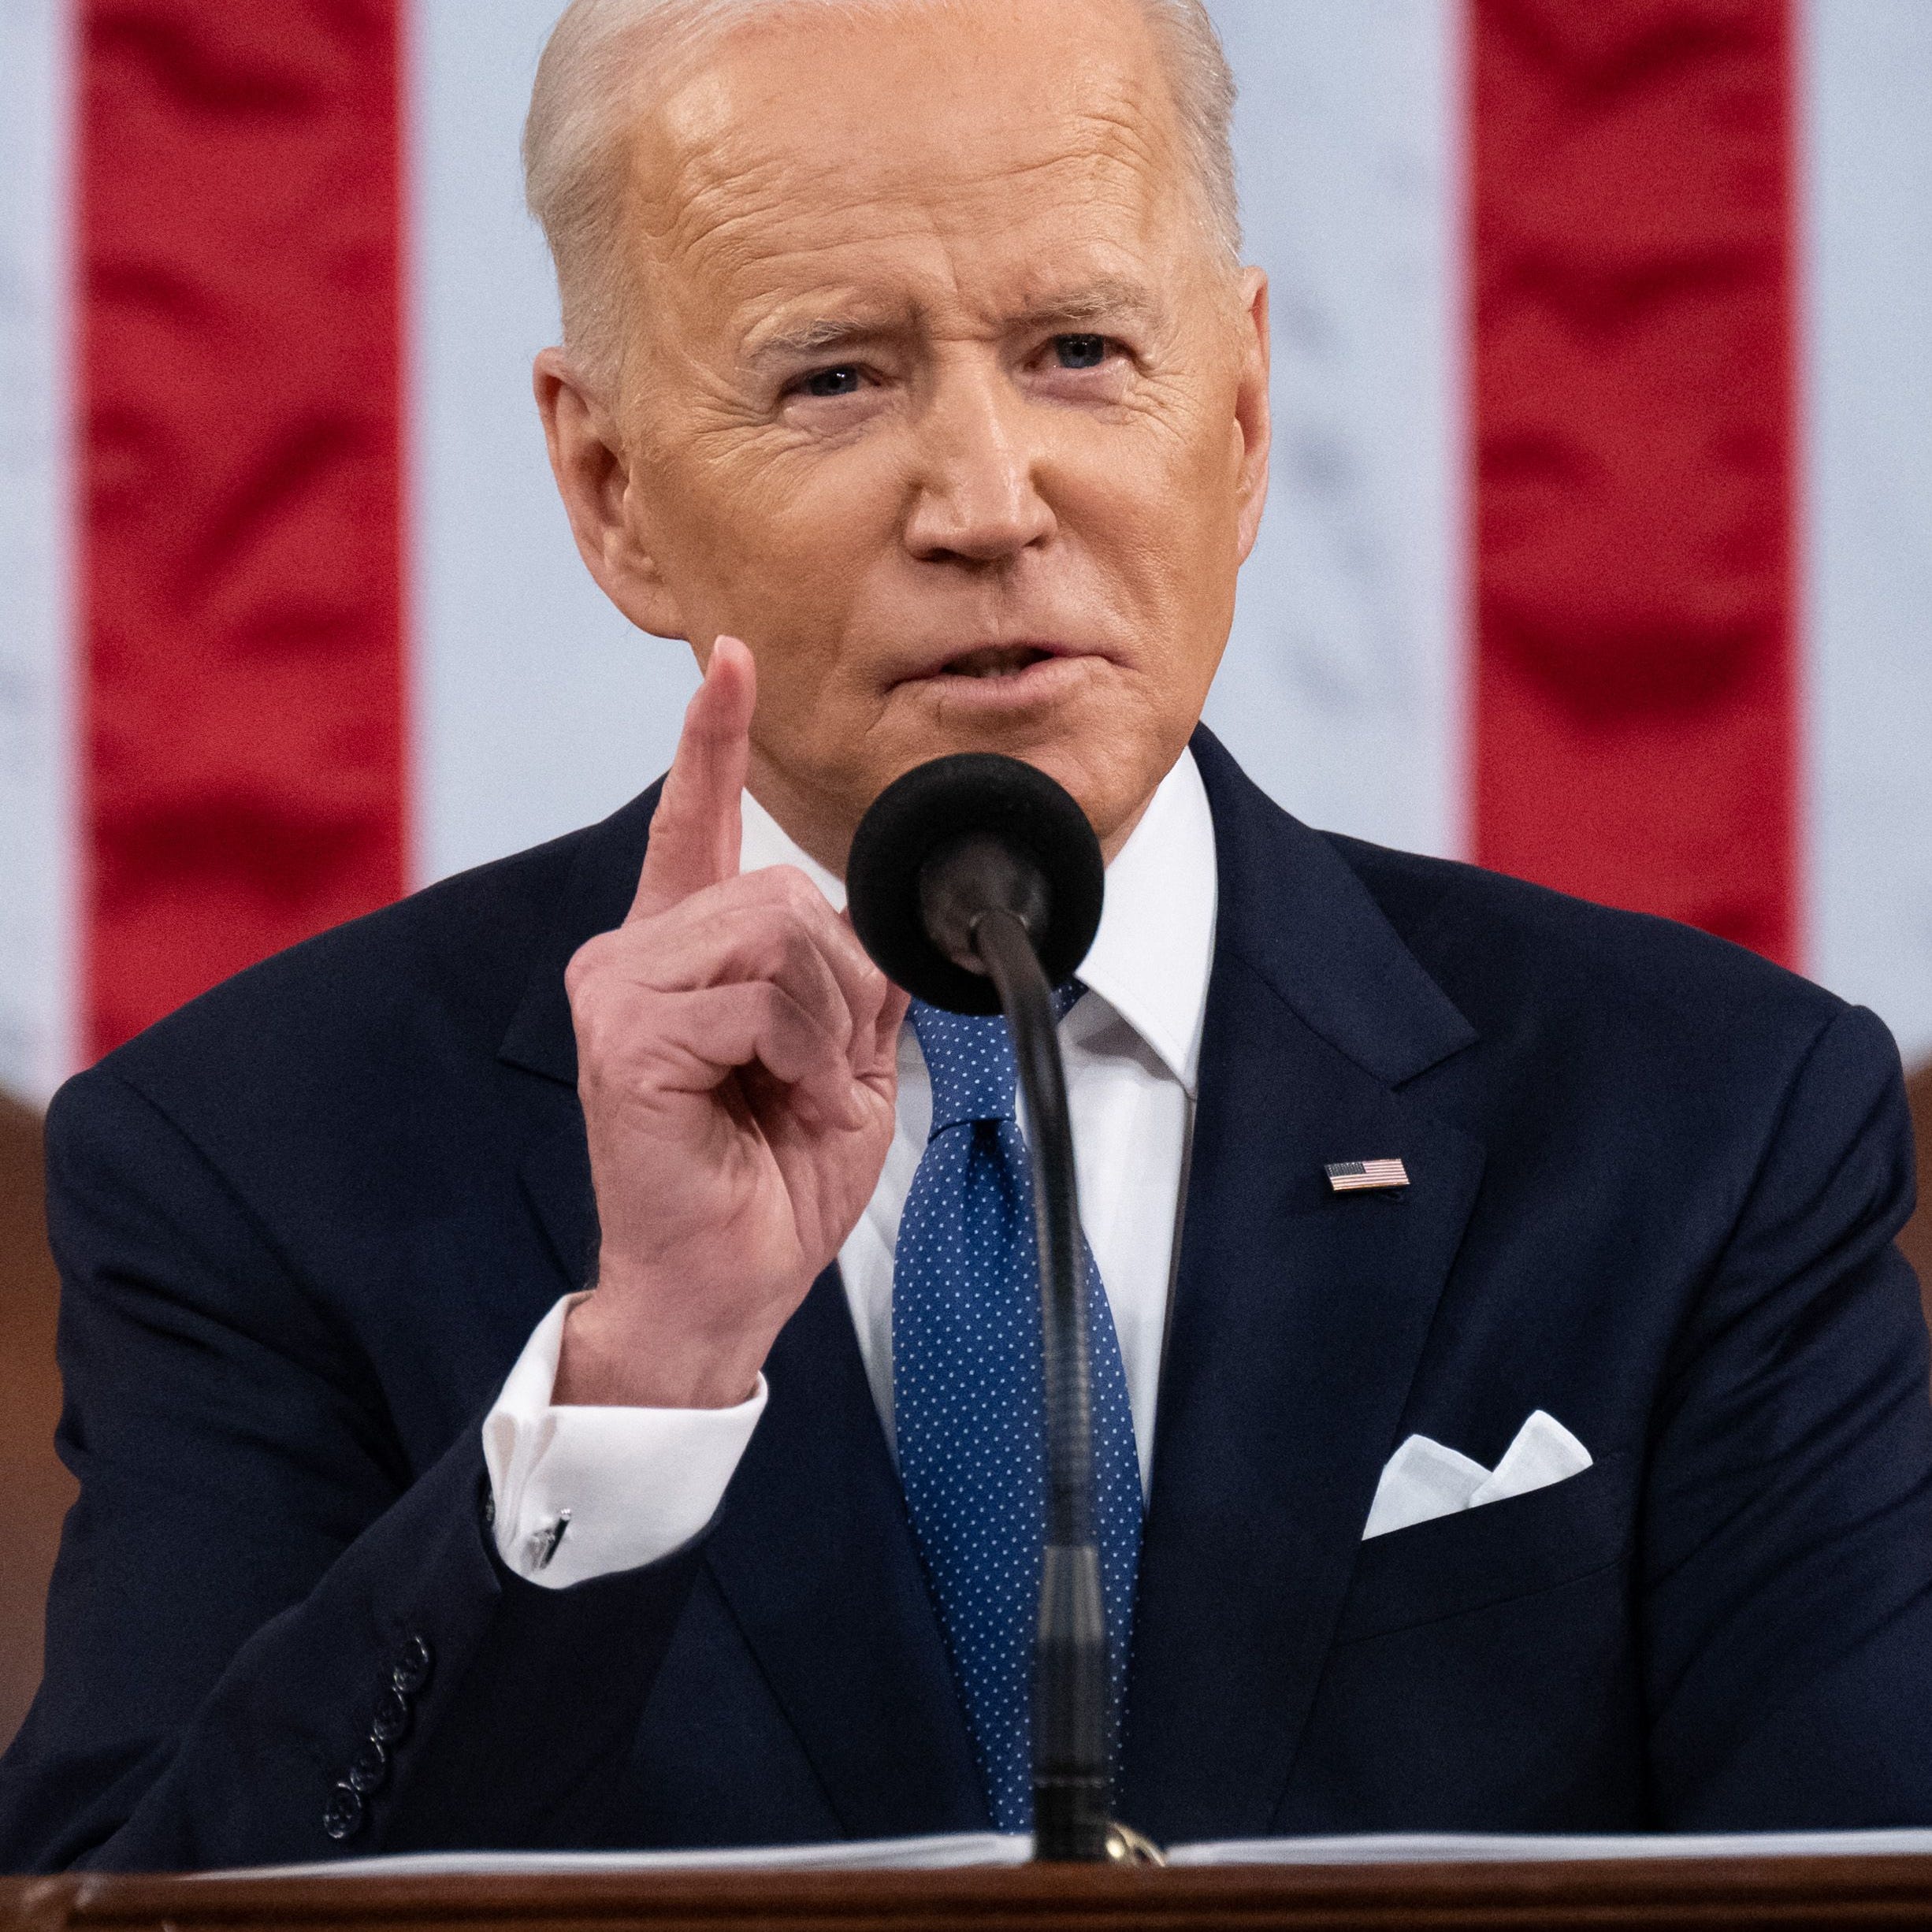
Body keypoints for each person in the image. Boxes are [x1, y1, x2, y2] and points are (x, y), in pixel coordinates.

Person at [4, 0, 1931, 1873]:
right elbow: (137, 1896)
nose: (991, 503)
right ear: (609, 489)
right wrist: (638, 1379)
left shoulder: (1705, 1121)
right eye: (833, 373)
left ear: (1241, 415)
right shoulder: (253, 1157)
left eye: (1081, 349)